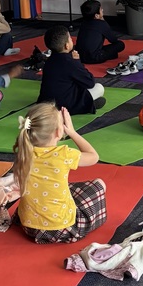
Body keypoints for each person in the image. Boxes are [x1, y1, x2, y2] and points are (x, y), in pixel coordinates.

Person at [14, 102, 107, 243]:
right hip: (61, 228)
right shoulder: (64, 154)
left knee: (62, 187)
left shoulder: (24, 152)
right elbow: (94, 157)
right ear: (59, 132)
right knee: (99, 184)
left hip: (29, 226)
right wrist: (72, 132)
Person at [38, 24, 106, 114]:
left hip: (45, 103)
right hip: (65, 104)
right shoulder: (70, 62)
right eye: (70, 38)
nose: (72, 40)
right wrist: (77, 62)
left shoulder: (49, 60)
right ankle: (87, 105)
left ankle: (88, 103)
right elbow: (90, 83)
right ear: (66, 46)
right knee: (99, 88)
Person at [74, 0, 125, 64]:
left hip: (80, 57)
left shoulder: (83, 23)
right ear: (96, 15)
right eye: (101, 9)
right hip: (95, 57)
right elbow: (113, 40)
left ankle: (110, 55)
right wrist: (102, 20)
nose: (102, 10)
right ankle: (110, 55)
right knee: (120, 44)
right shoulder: (102, 24)